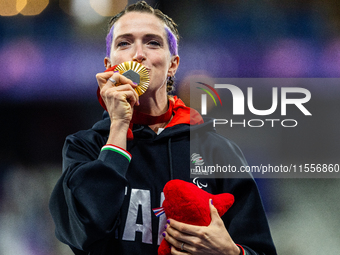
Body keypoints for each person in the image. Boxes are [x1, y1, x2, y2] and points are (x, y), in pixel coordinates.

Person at [49, 1, 277, 255]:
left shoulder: (217, 151)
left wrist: (231, 253)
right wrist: (119, 127)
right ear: (108, 64)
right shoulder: (84, 147)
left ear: (172, 65)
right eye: (124, 43)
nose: (138, 54)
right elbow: (83, 234)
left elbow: (261, 250)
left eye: (153, 42)